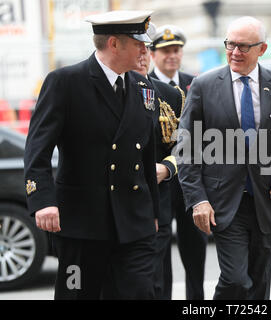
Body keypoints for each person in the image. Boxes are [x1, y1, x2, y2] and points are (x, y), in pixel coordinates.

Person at [176, 16, 271, 300]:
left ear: (262, 49)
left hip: (267, 200)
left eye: (243, 47)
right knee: (234, 281)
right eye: (230, 44)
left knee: (258, 286)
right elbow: (187, 146)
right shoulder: (205, 86)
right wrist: (198, 199)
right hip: (223, 202)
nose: (235, 52)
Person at [24, 10, 161, 300]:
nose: (144, 50)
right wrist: (43, 201)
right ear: (114, 44)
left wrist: (154, 213)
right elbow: (38, 148)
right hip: (82, 223)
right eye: (138, 43)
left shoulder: (143, 88)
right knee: (78, 294)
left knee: (140, 293)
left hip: (134, 221)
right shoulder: (66, 82)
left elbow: (146, 155)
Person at [149, 25, 207, 300]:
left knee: (195, 247)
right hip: (159, 178)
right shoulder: (144, 84)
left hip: (190, 180)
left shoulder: (195, 83)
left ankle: (195, 301)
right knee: (159, 251)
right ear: (152, 54)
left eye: (176, 50)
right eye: (165, 51)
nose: (172, 56)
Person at [134, 41, 183, 299]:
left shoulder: (170, 95)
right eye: (136, 48)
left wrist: (167, 167)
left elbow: (187, 146)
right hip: (115, 201)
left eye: (144, 49)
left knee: (156, 278)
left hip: (157, 199)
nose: (142, 56)